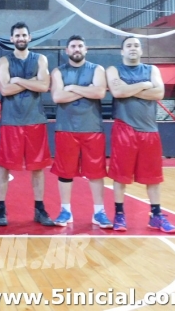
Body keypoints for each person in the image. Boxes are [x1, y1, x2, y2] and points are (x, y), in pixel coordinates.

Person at [106, 36, 175, 233]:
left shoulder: (152, 70)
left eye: (136, 45)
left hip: (149, 130)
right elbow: (118, 93)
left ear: (141, 50)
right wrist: (145, 85)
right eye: (128, 45)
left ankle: (156, 216)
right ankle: (119, 214)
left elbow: (159, 93)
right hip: (124, 128)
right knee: (121, 176)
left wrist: (130, 89)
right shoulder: (113, 70)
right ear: (122, 51)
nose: (133, 48)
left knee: (153, 177)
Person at [0, 22, 55, 227]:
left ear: (29, 38)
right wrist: (30, 82)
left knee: (37, 168)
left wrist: (18, 79)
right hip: (11, 120)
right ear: (11, 39)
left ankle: (40, 208)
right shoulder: (4, 60)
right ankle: (1, 208)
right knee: (4, 166)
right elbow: (4, 89)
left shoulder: (40, 59)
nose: (20, 38)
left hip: (35, 120)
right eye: (17, 35)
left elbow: (44, 85)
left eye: (24, 35)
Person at [50, 35, 112, 228]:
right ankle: (65, 210)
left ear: (86, 50)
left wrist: (73, 88)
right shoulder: (58, 71)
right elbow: (58, 97)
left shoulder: (97, 69)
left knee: (95, 172)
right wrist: (87, 89)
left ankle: (99, 212)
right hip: (66, 128)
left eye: (80, 46)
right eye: (73, 46)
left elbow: (99, 93)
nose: (76, 49)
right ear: (67, 51)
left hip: (92, 127)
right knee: (65, 173)